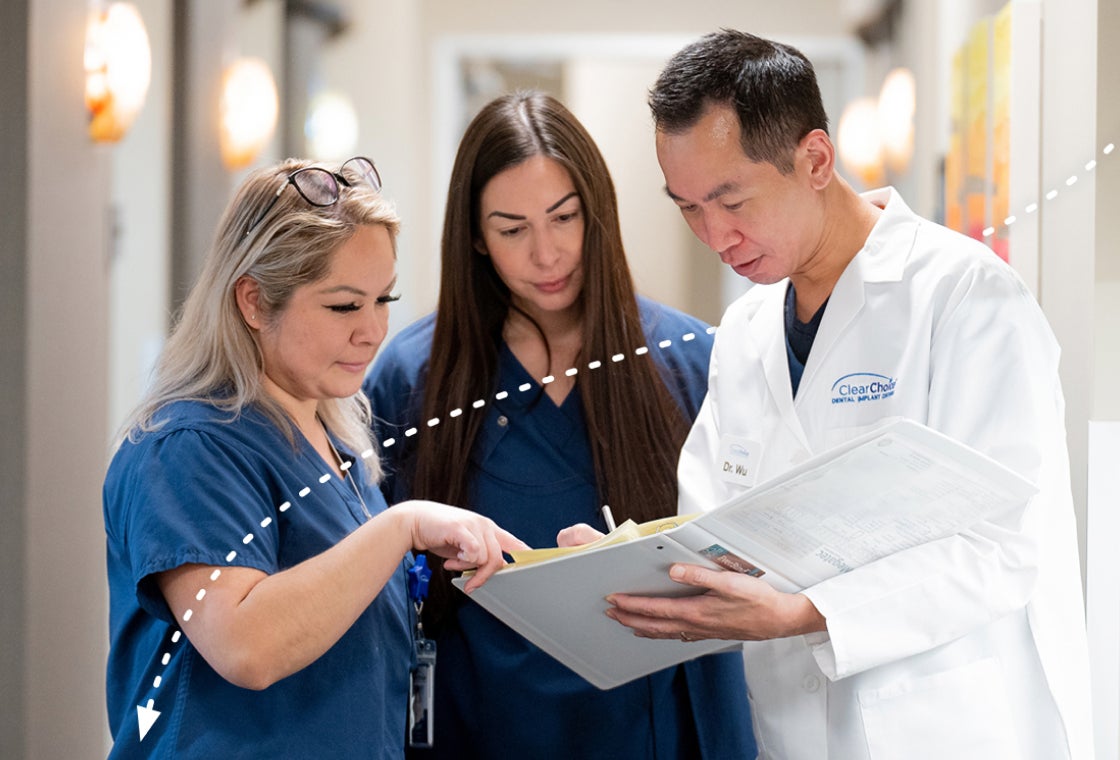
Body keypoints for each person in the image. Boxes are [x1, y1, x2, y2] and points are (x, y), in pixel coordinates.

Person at [603, 29, 1095, 760]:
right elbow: (713, 528)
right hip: (793, 733)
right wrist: (616, 565)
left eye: (732, 200)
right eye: (688, 208)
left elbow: (1003, 546)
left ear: (815, 160)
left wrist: (805, 612)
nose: (715, 234)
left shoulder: (966, 297)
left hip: (947, 728)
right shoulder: (745, 332)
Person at [363, 91, 756, 759]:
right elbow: (373, 581)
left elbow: (750, 559)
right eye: (512, 229)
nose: (547, 254)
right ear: (476, 238)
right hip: (477, 724)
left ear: (596, 212)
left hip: (651, 729)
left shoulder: (691, 360)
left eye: (565, 218)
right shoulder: (412, 378)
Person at [103, 157, 526, 758]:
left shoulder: (338, 450)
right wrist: (400, 528)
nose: (373, 331)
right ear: (253, 301)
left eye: (383, 299)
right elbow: (244, 644)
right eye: (344, 306)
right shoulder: (188, 450)